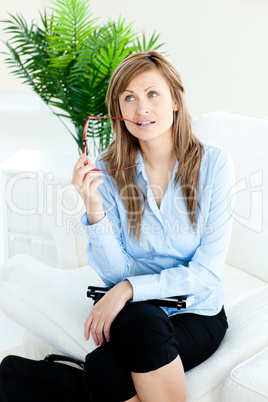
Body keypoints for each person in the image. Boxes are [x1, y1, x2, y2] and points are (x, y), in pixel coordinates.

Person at [72, 51, 235, 402]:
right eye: (128, 98)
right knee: (136, 326)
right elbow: (114, 273)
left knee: (106, 364)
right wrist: (94, 208)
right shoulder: (107, 171)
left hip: (197, 313)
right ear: (118, 110)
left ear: (175, 100)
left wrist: (130, 288)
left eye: (152, 94)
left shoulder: (214, 165)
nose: (141, 108)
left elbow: (206, 273)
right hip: (139, 314)